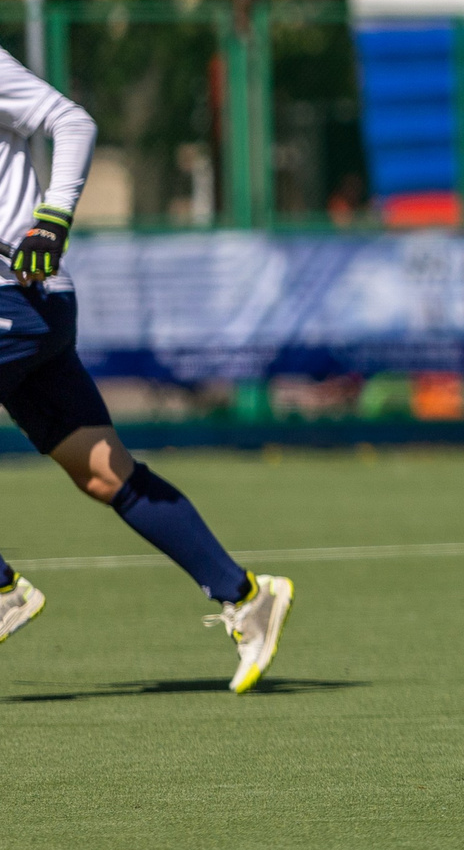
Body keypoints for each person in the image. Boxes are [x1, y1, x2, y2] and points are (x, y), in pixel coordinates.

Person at [0, 47, 294, 691]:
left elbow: (72, 121)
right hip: (30, 311)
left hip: (16, 293)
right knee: (105, 474)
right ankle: (245, 595)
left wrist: (53, 220)